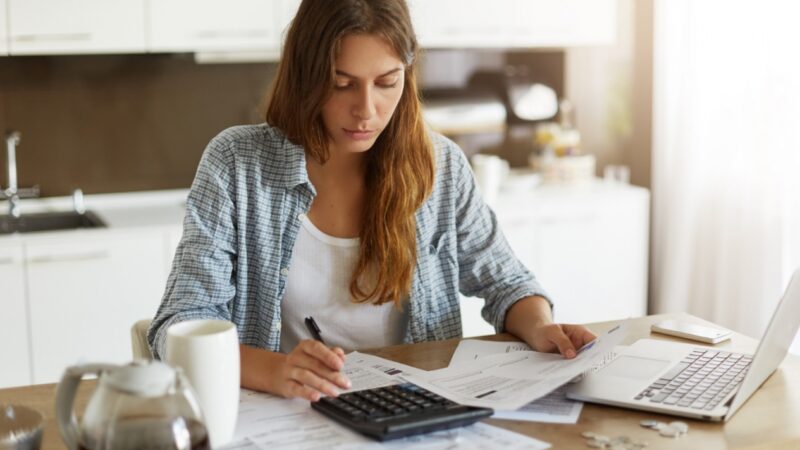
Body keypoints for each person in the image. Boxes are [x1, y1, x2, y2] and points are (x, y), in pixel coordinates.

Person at [148, 0, 596, 402]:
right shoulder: (236, 164)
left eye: (386, 82)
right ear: (306, 77)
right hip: (286, 416)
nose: (366, 109)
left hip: (412, 409)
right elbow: (177, 327)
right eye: (342, 84)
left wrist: (540, 326)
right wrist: (277, 371)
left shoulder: (440, 167)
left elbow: (507, 284)